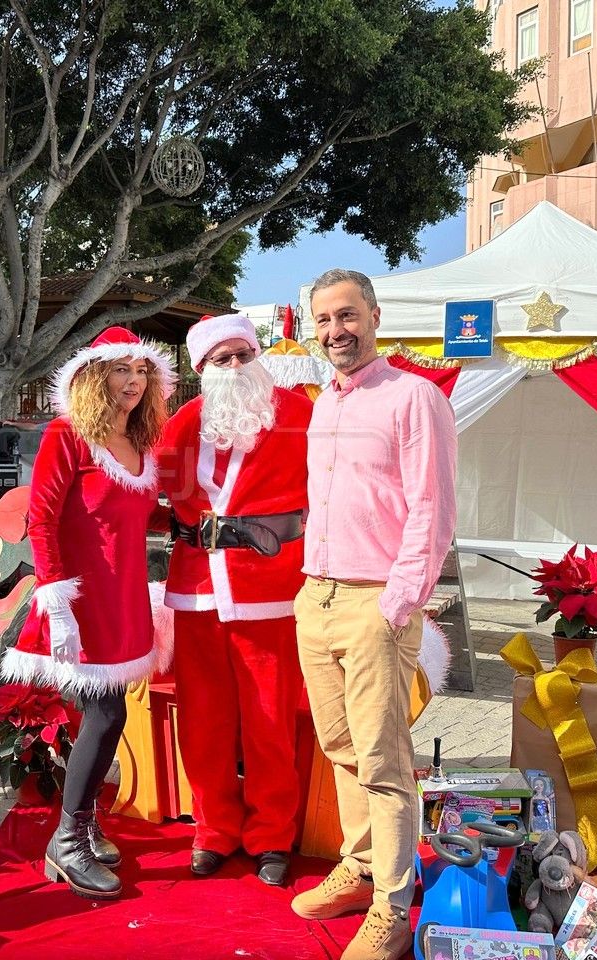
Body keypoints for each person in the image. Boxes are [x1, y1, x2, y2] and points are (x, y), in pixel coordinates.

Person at [293, 269, 457, 960]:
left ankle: (392, 905)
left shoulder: (413, 397)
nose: (336, 331)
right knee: (339, 749)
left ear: (375, 317)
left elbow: (433, 507)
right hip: (317, 596)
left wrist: (397, 602)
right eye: (324, 320)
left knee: (384, 762)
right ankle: (360, 868)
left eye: (348, 315)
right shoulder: (322, 406)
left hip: (375, 602)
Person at [0, 326, 175, 900]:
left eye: (142, 370)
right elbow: (42, 519)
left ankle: (83, 822)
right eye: (121, 369)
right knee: (106, 714)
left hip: (122, 596)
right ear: (95, 377)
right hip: (79, 600)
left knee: (111, 713)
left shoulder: (140, 442)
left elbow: (134, 516)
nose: (134, 380)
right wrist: (56, 601)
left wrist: (195, 522)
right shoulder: (68, 435)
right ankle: (67, 838)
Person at [156, 313, 312, 886]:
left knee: (269, 720)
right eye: (222, 359)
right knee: (204, 721)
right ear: (203, 368)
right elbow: (148, 491)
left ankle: (272, 834)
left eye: (244, 354)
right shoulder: (182, 424)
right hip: (197, 590)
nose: (236, 366)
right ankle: (214, 829)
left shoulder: (299, 414)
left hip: (270, 588)